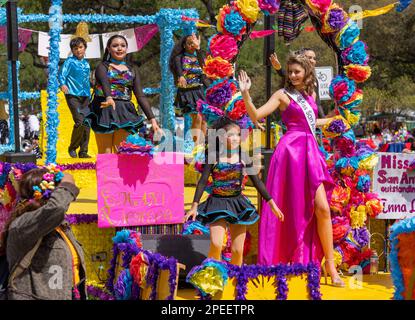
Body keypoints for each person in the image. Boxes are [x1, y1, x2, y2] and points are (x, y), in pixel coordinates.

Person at [238, 53, 345, 287]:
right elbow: (256, 115)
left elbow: (311, 123)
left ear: (306, 72)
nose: (293, 75)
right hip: (290, 153)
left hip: (311, 151)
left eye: (297, 71)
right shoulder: (281, 95)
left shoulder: (311, 95)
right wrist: (245, 92)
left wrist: (333, 122)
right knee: (292, 206)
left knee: (322, 209)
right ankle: (288, 258)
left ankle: (329, 264)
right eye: (291, 71)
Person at [185, 117, 284, 266]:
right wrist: (194, 206)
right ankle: (212, 275)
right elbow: (203, 182)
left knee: (238, 251)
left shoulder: (243, 156)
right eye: (232, 135)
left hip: (238, 205)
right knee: (217, 245)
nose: (237, 138)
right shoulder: (213, 156)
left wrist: (272, 204)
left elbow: (257, 182)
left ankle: (237, 281)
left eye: (238, 135)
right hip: (217, 204)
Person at [1, 166, 86, 300]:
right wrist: (68, 183)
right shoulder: (23, 225)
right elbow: (57, 207)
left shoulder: (57, 225)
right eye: (59, 190)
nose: (64, 196)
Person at [83, 35, 162, 154]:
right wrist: (109, 97)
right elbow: (104, 83)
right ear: (109, 49)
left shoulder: (132, 69)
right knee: (106, 152)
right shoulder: (103, 67)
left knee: (119, 152)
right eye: (115, 46)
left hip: (124, 112)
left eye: (123, 45)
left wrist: (153, 120)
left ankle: (115, 174)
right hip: (104, 110)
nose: (119, 48)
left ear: (126, 49)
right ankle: (106, 173)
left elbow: (140, 96)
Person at [169, 33, 209, 146]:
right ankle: (196, 146)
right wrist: (181, 76)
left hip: (199, 92)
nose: (192, 45)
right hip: (187, 92)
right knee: (197, 117)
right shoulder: (179, 58)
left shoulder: (198, 57)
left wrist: (199, 49)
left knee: (204, 119)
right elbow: (178, 69)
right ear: (184, 45)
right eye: (189, 43)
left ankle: (201, 145)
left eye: (194, 43)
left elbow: (204, 68)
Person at [59, 37, 92, 158]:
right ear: (72, 50)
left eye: (81, 47)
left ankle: (83, 151)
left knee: (87, 123)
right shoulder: (69, 61)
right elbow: (61, 74)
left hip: (86, 96)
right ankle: (72, 147)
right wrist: (62, 84)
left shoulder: (86, 63)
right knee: (80, 121)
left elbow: (87, 79)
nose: (78, 50)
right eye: (75, 48)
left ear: (85, 48)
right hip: (73, 95)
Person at [270, 48, 326, 118]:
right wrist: (279, 68)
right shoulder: (295, 78)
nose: (312, 61)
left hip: (311, 122)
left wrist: (324, 119)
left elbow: (318, 104)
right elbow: (285, 74)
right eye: (309, 58)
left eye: (314, 58)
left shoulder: (314, 80)